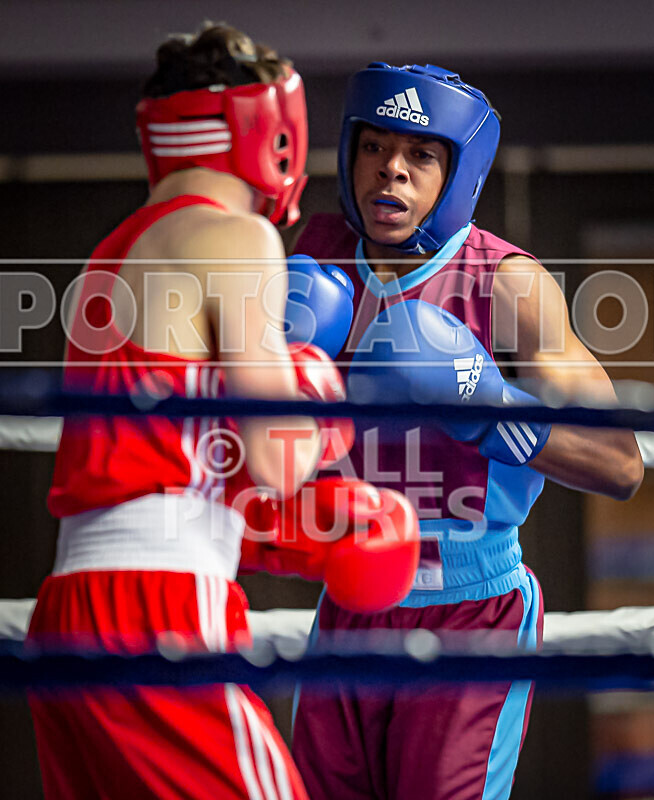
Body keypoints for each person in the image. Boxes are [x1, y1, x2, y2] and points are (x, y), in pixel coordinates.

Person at [25, 25, 419, 800]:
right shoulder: (236, 237)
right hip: (159, 612)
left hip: (70, 612)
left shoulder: (112, 254)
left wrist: (288, 533)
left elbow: (165, 466)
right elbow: (276, 457)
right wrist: (316, 391)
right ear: (269, 127)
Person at [291, 62, 644, 800]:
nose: (390, 170)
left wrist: (492, 412)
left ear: (457, 173)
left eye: (420, 155)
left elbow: (619, 464)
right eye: (374, 147)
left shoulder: (507, 282)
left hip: (470, 608)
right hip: (350, 596)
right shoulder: (310, 264)